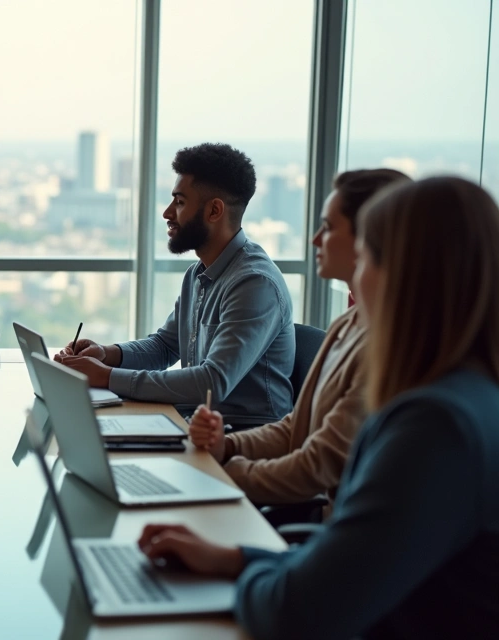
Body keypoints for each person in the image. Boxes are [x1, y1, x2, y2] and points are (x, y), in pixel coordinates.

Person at [137, 176, 499, 639]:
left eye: (366, 256)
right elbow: (356, 563)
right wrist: (235, 559)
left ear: (404, 273)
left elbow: (301, 608)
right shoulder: (463, 397)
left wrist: (235, 574)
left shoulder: (435, 427)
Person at [187, 169, 409, 507]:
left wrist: (222, 475)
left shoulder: (386, 346)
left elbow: (316, 466)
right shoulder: (348, 322)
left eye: (330, 227)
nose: (315, 239)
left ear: (372, 237)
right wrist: (228, 446)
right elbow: (297, 427)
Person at [57, 143, 294, 428]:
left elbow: (212, 382)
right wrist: (108, 354)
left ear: (214, 211)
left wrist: (106, 377)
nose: (168, 213)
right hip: (191, 425)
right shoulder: (198, 274)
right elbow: (165, 347)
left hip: (242, 442)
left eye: (180, 202)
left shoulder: (255, 284)